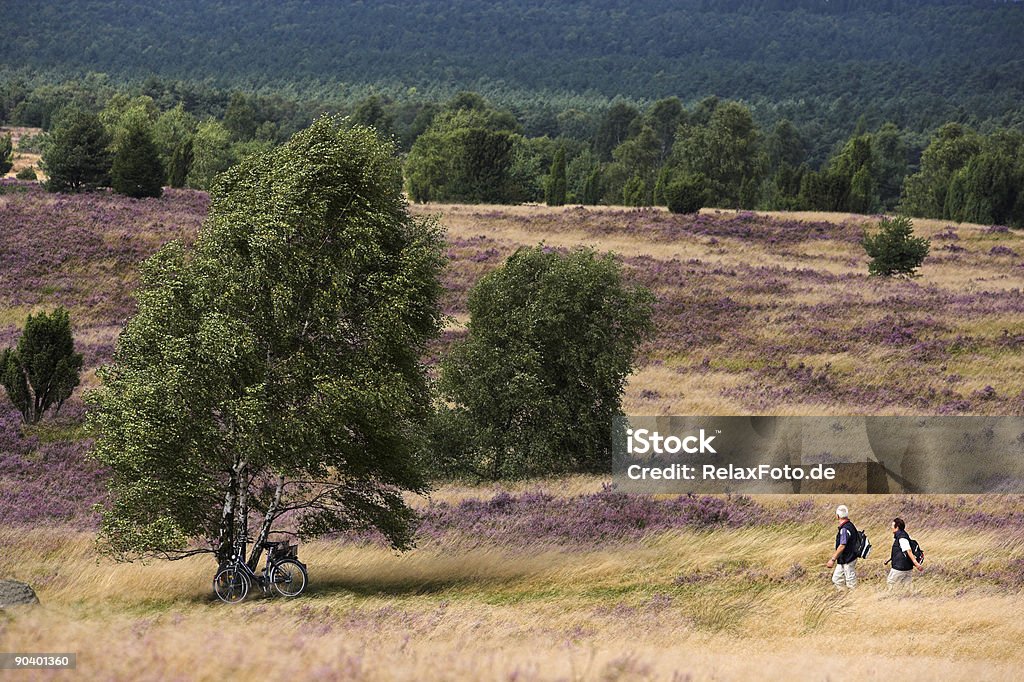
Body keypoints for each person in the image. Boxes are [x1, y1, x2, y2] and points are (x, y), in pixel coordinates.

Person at [826, 505, 858, 589]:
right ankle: (844, 597)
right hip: (845, 559)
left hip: (848, 559)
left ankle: (853, 599)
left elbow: (842, 546)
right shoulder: (850, 525)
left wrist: (832, 559)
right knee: (836, 579)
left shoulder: (844, 529)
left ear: (837, 516)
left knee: (851, 582)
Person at [887, 517, 923, 588]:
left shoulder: (902, 538)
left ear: (897, 527)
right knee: (907, 587)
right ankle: (908, 598)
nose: (891, 527)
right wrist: (889, 559)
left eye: (892, 525)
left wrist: (916, 564)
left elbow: (908, 550)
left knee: (891, 582)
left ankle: (891, 598)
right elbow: (900, 551)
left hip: (899, 567)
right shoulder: (905, 535)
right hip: (908, 567)